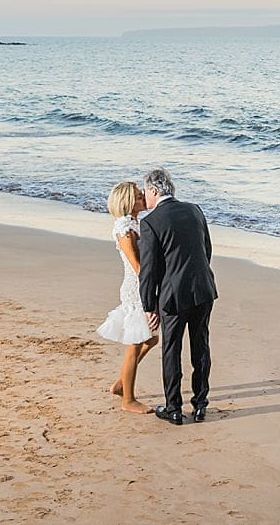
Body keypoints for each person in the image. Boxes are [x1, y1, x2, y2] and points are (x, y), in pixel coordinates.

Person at [138, 168, 217, 425]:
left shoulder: (151, 222)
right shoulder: (194, 210)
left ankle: (173, 408)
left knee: (171, 350)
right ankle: (200, 405)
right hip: (203, 289)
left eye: (145, 191)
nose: (144, 197)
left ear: (153, 190)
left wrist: (148, 305)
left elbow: (149, 270)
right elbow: (206, 250)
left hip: (172, 296)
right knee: (200, 346)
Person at [95, 181, 159, 414]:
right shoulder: (124, 227)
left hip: (140, 286)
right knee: (135, 344)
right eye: (139, 196)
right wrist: (153, 291)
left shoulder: (133, 223)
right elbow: (137, 266)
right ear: (129, 202)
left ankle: (121, 384)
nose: (143, 197)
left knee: (151, 340)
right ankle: (128, 400)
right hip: (137, 288)